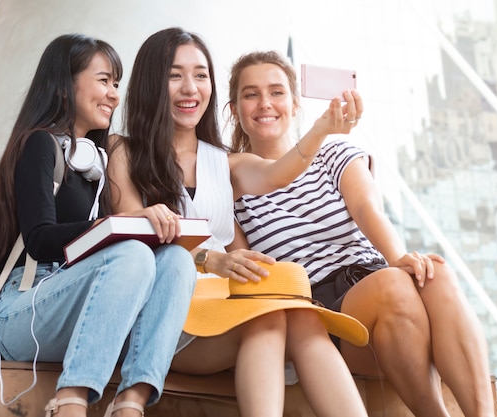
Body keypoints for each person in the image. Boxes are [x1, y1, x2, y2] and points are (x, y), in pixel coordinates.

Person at [107, 27, 369, 417]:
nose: (190, 88)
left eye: (200, 75)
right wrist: (207, 259)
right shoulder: (124, 151)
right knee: (271, 315)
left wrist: (321, 129)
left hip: (222, 310)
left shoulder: (224, 163)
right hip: (164, 317)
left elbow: (280, 172)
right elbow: (131, 237)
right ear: (151, 82)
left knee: (289, 312)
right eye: (175, 75)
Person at [228, 50, 494, 417]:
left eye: (276, 92)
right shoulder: (233, 181)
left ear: (294, 102)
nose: (264, 104)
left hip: (376, 279)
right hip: (321, 312)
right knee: (394, 286)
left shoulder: (335, 152)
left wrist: (399, 257)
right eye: (250, 94)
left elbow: (368, 209)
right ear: (234, 109)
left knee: (436, 271)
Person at [0, 34, 196, 417]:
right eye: (103, 80)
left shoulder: (99, 159)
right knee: (129, 253)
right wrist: (121, 222)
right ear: (65, 85)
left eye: (116, 84)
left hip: (88, 311)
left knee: (176, 259)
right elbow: (40, 240)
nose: (113, 94)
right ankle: (70, 402)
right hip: (23, 310)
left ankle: (131, 402)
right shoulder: (39, 145)